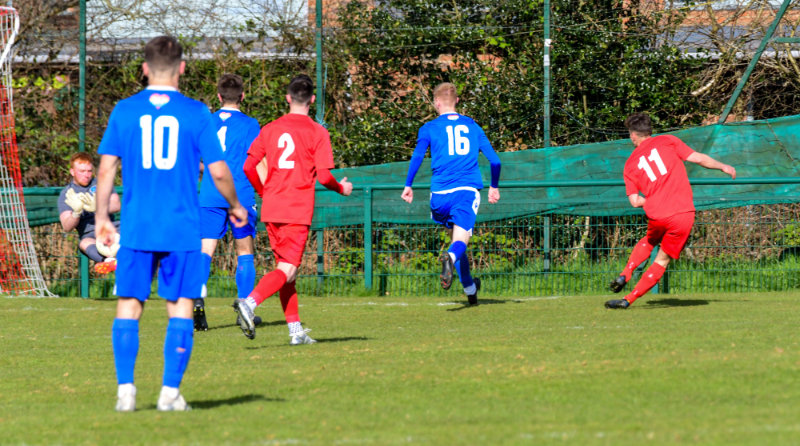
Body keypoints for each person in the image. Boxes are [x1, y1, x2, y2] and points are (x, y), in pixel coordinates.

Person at [93, 35, 248, 412]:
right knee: (180, 305)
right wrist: (234, 205)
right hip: (181, 227)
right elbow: (219, 170)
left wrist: (101, 218)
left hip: (138, 225)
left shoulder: (124, 110)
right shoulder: (195, 112)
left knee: (129, 304)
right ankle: (169, 393)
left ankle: (126, 391)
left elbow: (107, 167)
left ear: (144, 69)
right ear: (181, 68)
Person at [234, 74, 353, 344]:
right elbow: (324, 177)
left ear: (288, 98)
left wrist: (264, 192)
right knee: (287, 269)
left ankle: (296, 332)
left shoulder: (271, 128)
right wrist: (341, 188)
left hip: (272, 208)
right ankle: (249, 304)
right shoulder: (317, 132)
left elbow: (248, 167)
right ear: (312, 99)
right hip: (296, 209)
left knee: (288, 272)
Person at [605, 112, 736, 309]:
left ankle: (625, 274)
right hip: (683, 213)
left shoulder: (630, 164)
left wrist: (649, 201)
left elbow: (634, 201)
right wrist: (723, 166)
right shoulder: (668, 140)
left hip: (657, 213)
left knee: (649, 241)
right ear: (649, 130)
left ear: (633, 134)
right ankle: (628, 300)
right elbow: (697, 158)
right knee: (662, 260)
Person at [401, 82, 501, 306]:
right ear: (457, 101)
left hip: (439, 195)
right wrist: (494, 186)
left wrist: (408, 185)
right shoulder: (473, 126)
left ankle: (470, 289)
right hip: (465, 191)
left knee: (456, 240)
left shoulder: (428, 128)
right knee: (459, 243)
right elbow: (495, 160)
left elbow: (417, 156)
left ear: (436, 103)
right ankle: (450, 258)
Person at [193, 74, 262, 332]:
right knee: (244, 251)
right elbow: (254, 160)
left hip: (210, 194)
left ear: (219, 96)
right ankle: (245, 309)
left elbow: (197, 159)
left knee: (205, 250)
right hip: (240, 196)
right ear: (242, 96)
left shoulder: (206, 123)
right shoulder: (250, 124)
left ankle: (197, 296)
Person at [58, 152, 121, 274]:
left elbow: (116, 204)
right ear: (72, 172)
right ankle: (108, 261)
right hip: (90, 235)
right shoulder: (67, 194)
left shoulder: (102, 183)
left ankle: (121, 259)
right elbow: (66, 226)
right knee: (84, 243)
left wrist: (98, 206)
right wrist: (76, 212)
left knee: (132, 233)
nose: (86, 175)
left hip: (112, 228)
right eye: (82, 171)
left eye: (89, 171)